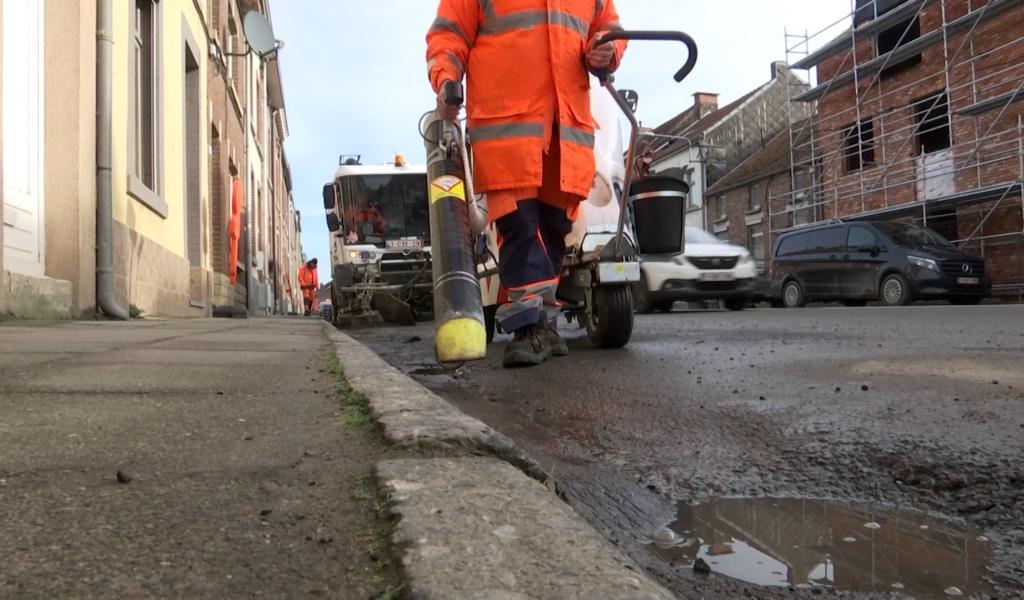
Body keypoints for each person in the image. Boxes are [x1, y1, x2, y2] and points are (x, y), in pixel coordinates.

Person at [427, 0, 626, 368]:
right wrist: (446, 79)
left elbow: (609, 28)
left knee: (555, 227)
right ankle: (527, 326)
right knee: (519, 222)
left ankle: (543, 323)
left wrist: (607, 50)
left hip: (566, 128)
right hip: (506, 128)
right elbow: (449, 33)